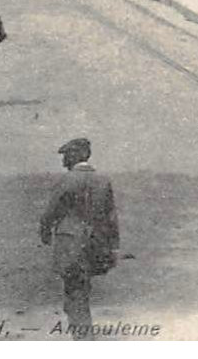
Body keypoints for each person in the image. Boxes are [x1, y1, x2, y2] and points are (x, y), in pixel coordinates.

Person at [40, 138, 120, 339]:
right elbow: (111, 217)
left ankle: (83, 339)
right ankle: (84, 335)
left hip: (71, 244)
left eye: (66, 156)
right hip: (96, 243)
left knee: (74, 294)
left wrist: (45, 231)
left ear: (75, 156)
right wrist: (113, 247)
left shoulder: (67, 180)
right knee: (82, 290)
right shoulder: (103, 180)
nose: (63, 161)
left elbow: (51, 211)